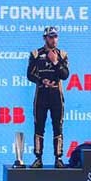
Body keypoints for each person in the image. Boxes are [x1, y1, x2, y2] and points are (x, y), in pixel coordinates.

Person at [26, 26, 70, 168]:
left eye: (55, 37)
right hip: (42, 94)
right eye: (51, 37)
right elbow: (29, 74)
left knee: (58, 126)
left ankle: (58, 158)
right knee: (39, 126)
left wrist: (55, 62)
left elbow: (65, 75)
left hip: (56, 95)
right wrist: (41, 80)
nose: (54, 40)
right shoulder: (35, 54)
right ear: (45, 38)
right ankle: (38, 158)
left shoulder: (62, 54)